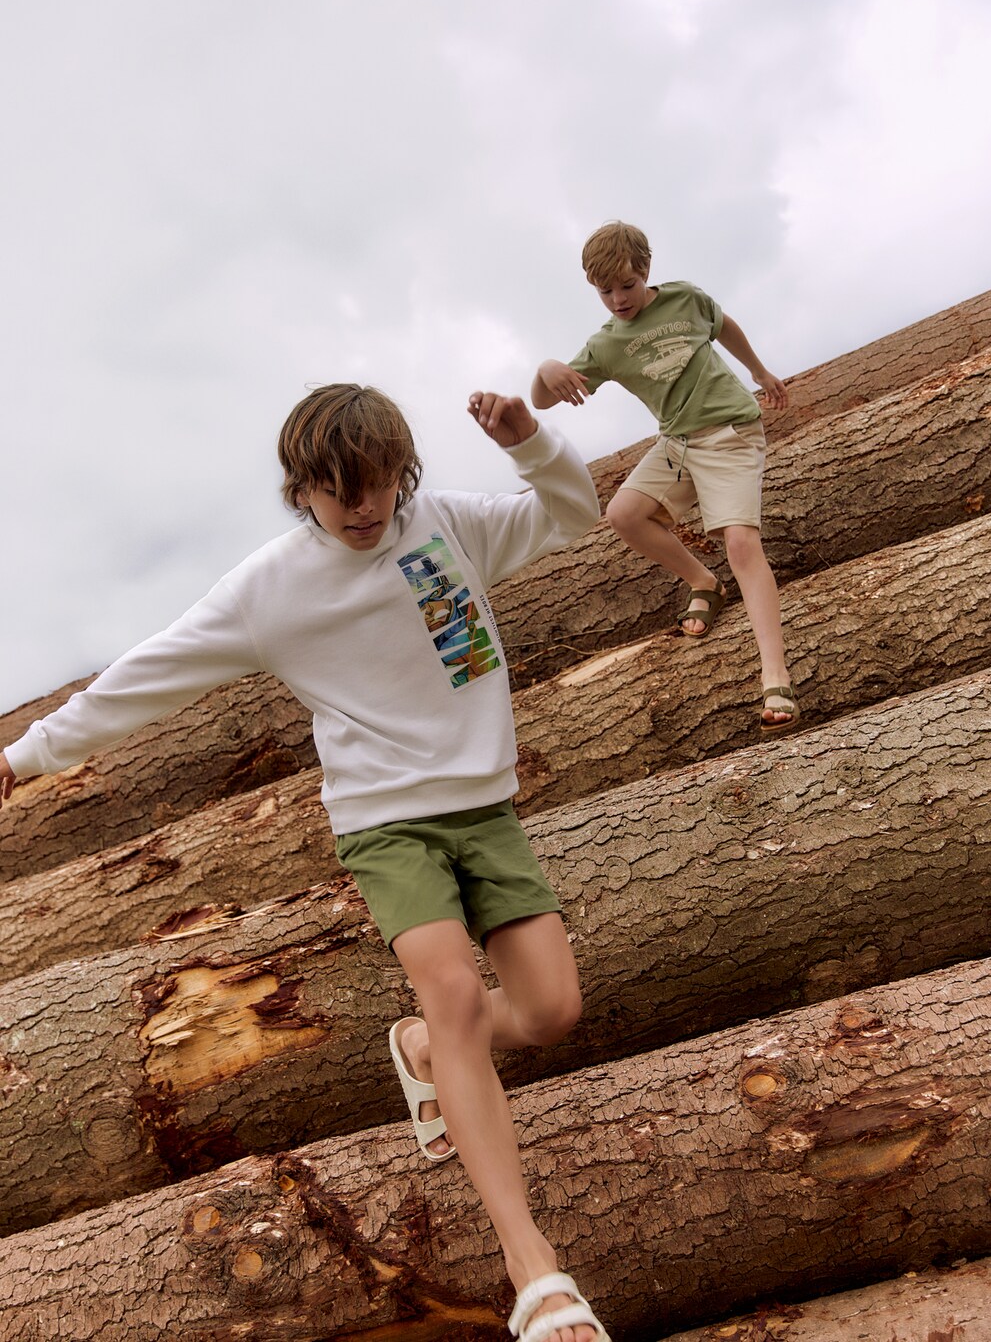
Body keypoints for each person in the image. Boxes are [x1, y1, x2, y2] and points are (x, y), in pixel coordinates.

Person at [0, 383, 610, 1342]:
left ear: (402, 475)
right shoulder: (268, 591)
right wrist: (22, 756)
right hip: (385, 823)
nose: (363, 509)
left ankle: (419, 1053)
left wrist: (532, 442)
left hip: (484, 808)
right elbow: (143, 675)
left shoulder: (446, 526)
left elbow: (575, 511)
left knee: (548, 1012)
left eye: (376, 486)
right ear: (301, 491)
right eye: (338, 494)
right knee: (455, 995)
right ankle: (536, 1279)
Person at [531, 220, 798, 735]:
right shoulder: (606, 345)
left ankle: (775, 674)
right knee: (624, 514)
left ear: (646, 270)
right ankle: (703, 581)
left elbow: (724, 326)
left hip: (729, 433)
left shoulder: (684, 300)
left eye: (626, 286)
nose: (617, 299)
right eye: (604, 291)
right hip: (676, 444)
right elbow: (544, 399)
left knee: (741, 543)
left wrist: (760, 372)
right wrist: (546, 368)